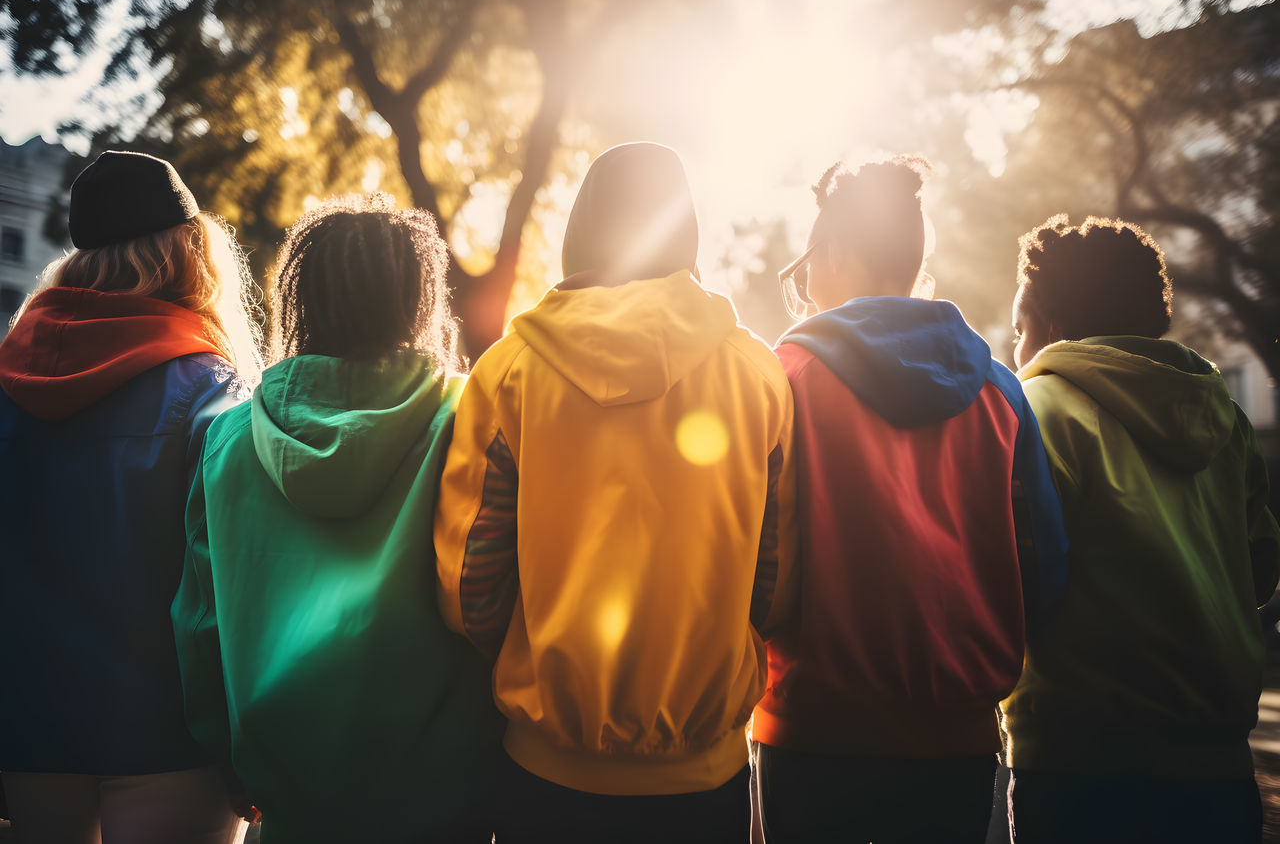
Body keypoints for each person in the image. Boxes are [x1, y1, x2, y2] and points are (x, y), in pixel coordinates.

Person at [434, 142, 797, 843]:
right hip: (705, 778)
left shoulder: (508, 370)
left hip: (547, 777)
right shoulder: (756, 374)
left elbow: (467, 590)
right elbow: (773, 582)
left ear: (581, 230)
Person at [750, 157, 1068, 843]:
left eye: (807, 260)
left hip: (812, 728)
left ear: (832, 254)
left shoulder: (786, 380)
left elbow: (756, 556)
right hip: (956, 739)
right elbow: (1044, 568)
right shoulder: (1001, 392)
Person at [170, 194, 505, 844]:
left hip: (290, 802)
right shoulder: (466, 420)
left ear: (301, 298)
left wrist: (230, 761)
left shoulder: (230, 437)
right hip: (447, 798)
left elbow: (198, 619)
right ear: (421, 299)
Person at [0, 150, 262, 844]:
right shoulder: (209, 389)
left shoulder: (5, 385)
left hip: (26, 729)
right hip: (170, 735)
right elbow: (233, 579)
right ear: (190, 250)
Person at [1002, 214, 1280, 843]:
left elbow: (1012, 573)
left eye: (1020, 330)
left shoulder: (1039, 411)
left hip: (1079, 763)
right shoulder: (1227, 417)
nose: (1018, 349)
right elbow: (1261, 569)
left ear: (1050, 327)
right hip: (1218, 765)